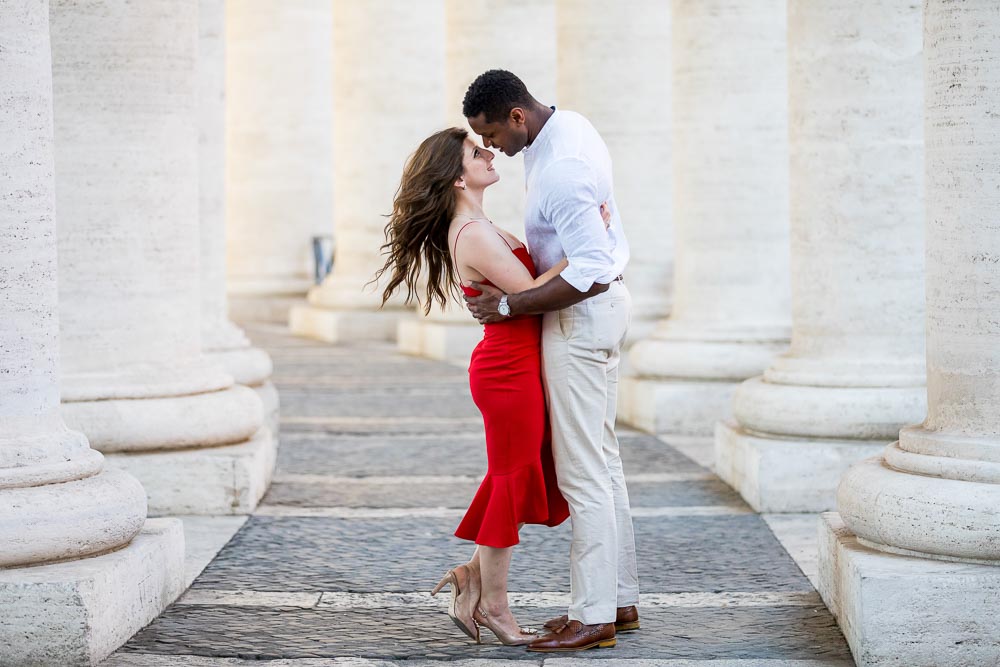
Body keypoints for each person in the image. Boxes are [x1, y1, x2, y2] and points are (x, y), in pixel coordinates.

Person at [375, 127, 592, 646]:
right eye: (477, 152)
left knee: (511, 478)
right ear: (456, 176)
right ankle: (494, 606)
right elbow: (534, 293)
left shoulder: (479, 223)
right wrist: (589, 247)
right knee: (510, 478)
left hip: (519, 366)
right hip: (507, 372)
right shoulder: (470, 232)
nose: (489, 153)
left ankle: (472, 577)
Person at [462, 69, 640, 653]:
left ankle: (594, 615)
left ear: (517, 115)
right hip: (604, 312)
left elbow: (588, 271)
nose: (493, 148)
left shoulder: (560, 169)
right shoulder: (570, 129)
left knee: (583, 469)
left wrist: (510, 304)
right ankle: (618, 597)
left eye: (493, 134)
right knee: (604, 460)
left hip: (581, 321)